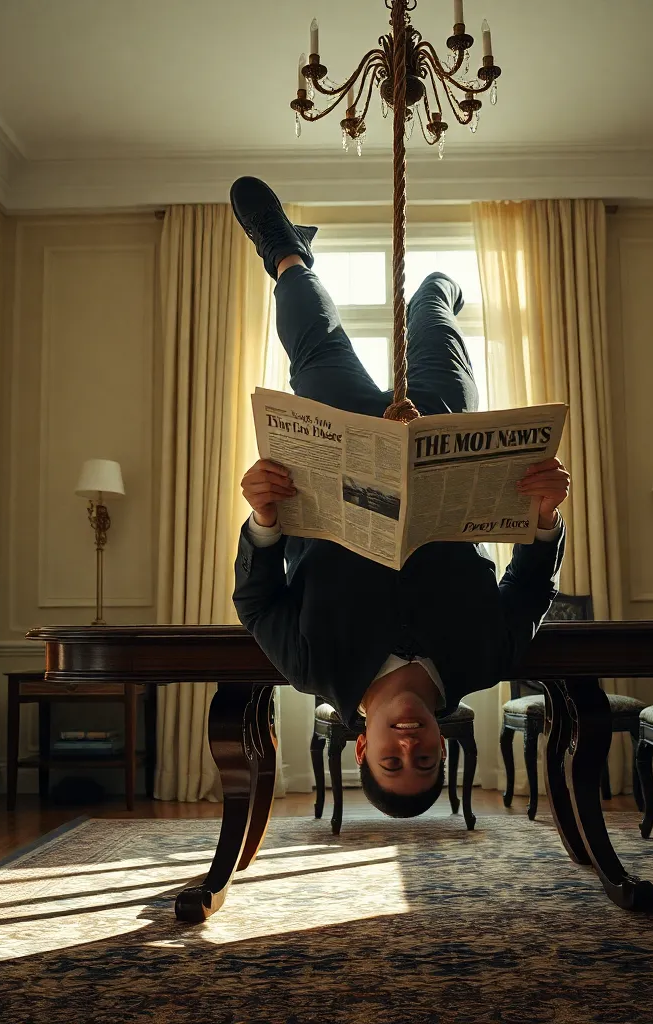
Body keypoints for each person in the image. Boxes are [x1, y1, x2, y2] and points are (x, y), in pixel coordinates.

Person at [230, 176, 570, 819]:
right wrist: (546, 517)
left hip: (338, 445)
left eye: (393, 760)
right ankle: (436, 285)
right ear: (446, 744)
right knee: (433, 316)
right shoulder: (486, 660)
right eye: (426, 759)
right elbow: (530, 589)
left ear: (359, 749)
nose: (409, 743)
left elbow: (256, 600)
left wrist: (264, 519)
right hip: (437, 432)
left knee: (315, 338)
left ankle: (285, 252)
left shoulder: (312, 667)